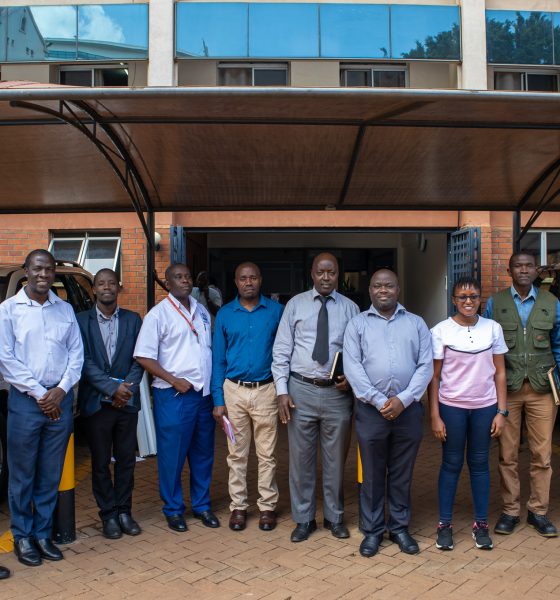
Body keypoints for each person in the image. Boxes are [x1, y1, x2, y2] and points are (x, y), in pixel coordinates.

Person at [0, 249, 83, 567]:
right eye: (37, 268)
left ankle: (43, 534)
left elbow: (76, 354)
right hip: (26, 403)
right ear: (27, 271)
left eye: (48, 269)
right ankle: (22, 536)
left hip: (60, 401)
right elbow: (6, 359)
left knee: (50, 474)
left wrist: (60, 390)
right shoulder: (9, 310)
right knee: (22, 475)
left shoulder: (65, 309)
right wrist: (40, 394)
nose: (43, 274)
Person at [343, 268, 433, 558]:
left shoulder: (417, 324)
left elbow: (426, 366)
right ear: (370, 290)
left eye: (389, 286)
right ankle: (372, 530)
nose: (383, 290)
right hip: (371, 411)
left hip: (408, 411)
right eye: (378, 286)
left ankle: (399, 528)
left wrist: (403, 400)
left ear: (398, 289)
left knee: (401, 473)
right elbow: (353, 368)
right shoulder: (357, 324)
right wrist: (381, 401)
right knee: (371, 474)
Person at [272, 252, 359, 542]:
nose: (326, 277)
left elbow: (359, 351)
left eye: (331, 272)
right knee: (300, 461)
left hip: (337, 394)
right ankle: (304, 519)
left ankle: (334, 517)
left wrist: (352, 380)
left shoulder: (350, 308)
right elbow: (281, 350)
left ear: (338, 274)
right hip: (301, 390)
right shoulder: (295, 305)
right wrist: (282, 391)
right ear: (312, 274)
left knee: (335, 461)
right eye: (321, 272)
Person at [134, 263, 219, 532]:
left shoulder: (201, 310)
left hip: (202, 395)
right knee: (172, 456)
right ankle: (173, 509)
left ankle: (202, 506)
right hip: (174, 395)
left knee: (203, 454)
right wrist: (173, 380)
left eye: (188, 277)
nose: (185, 281)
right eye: (179, 277)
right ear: (168, 283)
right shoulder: (158, 315)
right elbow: (143, 356)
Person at [429, 277, 508, 552]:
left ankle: (481, 524)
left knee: (480, 464)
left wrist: (501, 411)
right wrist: (435, 415)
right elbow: (434, 377)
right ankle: (444, 525)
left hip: (485, 406)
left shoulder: (493, 328)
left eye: (473, 296)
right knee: (451, 464)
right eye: (462, 297)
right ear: (454, 300)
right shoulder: (440, 330)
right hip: (452, 407)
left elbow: (500, 372)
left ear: (480, 298)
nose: (468, 301)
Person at [485, 252, 560, 537]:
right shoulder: (495, 302)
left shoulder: (551, 302)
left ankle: (538, 511)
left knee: (542, 455)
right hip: (508, 390)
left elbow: (559, 344)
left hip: (543, 389)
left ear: (536, 271)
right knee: (508, 455)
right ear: (509, 271)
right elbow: (487, 347)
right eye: (518, 266)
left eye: (529, 266)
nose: (524, 270)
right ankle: (510, 511)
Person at [212, 262, 284, 531]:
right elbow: (218, 360)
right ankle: (239, 506)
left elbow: (285, 353)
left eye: (253, 277)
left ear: (260, 280)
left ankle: (267, 507)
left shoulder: (276, 311)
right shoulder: (225, 314)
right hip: (234, 391)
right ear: (236, 282)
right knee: (236, 454)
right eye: (243, 278)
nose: (248, 282)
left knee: (267, 454)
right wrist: (218, 400)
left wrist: (283, 391)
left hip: (266, 390)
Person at [77, 268, 144, 540]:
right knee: (101, 462)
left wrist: (126, 389)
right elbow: (83, 361)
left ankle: (124, 511)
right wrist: (111, 388)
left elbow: (140, 358)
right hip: (97, 404)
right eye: (101, 283)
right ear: (94, 289)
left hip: (126, 402)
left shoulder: (133, 319)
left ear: (119, 287)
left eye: (111, 283)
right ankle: (108, 514)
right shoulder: (81, 321)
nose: (107, 287)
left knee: (126, 460)